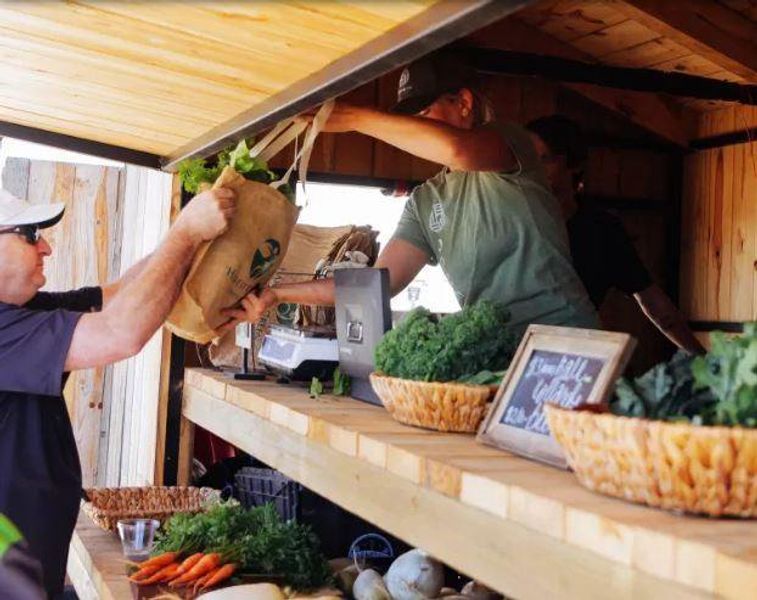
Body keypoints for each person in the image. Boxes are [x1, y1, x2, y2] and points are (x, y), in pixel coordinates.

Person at [224, 52, 598, 336]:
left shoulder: (510, 143)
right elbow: (379, 284)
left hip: (566, 337)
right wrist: (280, 294)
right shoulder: (426, 201)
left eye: (421, 112)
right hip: (503, 348)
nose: (411, 128)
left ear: (464, 104)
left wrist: (353, 118)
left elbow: (459, 151)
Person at [0, 185, 235, 598]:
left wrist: (195, 239)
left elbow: (122, 294)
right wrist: (185, 233)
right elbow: (119, 333)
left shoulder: (21, 311)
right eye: (31, 233)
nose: (47, 247)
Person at [526, 114, 704, 354]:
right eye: (527, 160)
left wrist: (703, 360)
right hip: (510, 351)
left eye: (545, 159)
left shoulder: (601, 230)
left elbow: (654, 303)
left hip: (573, 355)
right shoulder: (513, 221)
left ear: (574, 164)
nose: (533, 170)